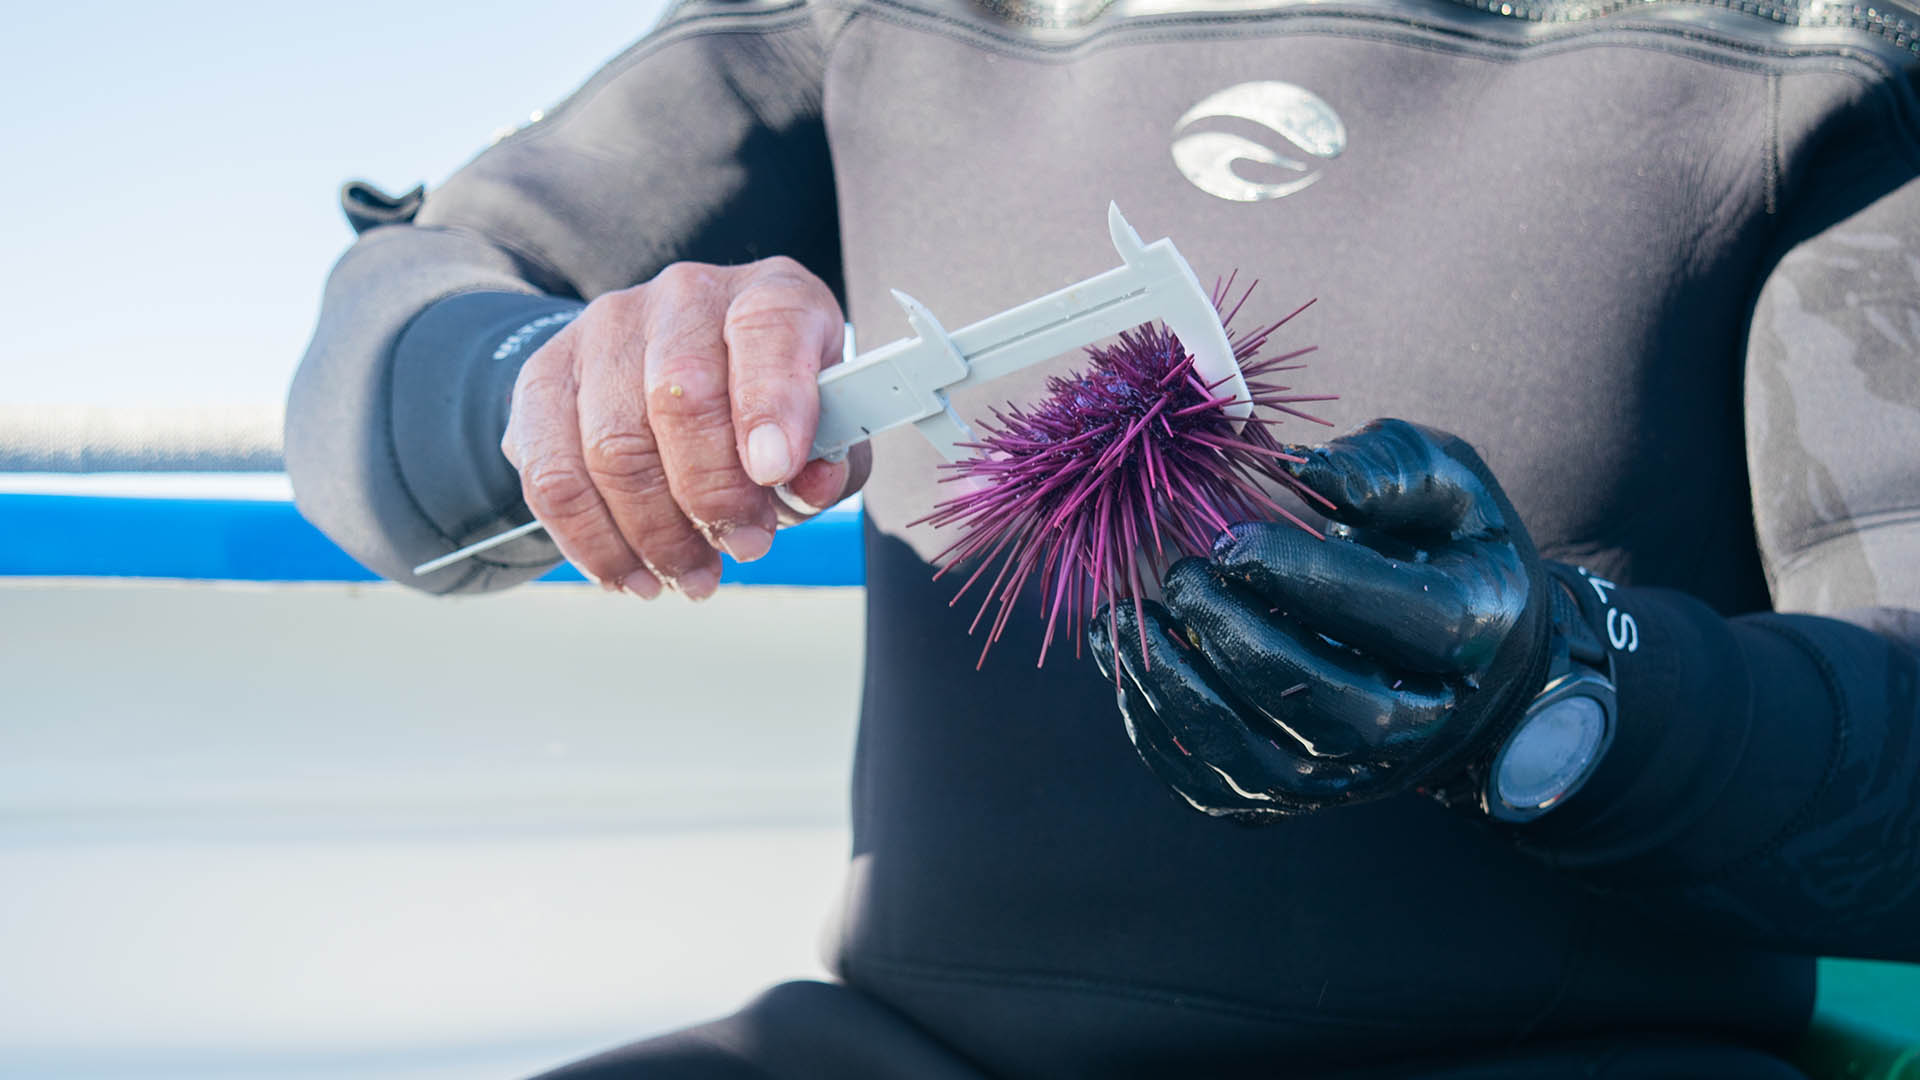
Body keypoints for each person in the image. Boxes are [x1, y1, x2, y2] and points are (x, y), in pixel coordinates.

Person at [286, 0, 1920, 1072]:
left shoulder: (1814, 57)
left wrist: (1573, 703)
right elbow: (383, 365)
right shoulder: (857, 26)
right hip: (900, 1046)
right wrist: (552, 386)